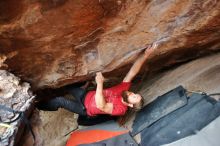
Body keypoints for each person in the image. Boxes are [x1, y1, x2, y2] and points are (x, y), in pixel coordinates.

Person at [37, 43, 158, 124]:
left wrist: (99, 83)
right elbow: (132, 73)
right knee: (68, 86)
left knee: (60, 100)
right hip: (86, 95)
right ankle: (48, 91)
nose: (133, 93)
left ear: (131, 105)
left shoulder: (121, 109)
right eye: (136, 94)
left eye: (135, 97)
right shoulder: (125, 90)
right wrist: (146, 55)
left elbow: (101, 106)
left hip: (85, 108)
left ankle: (38, 105)